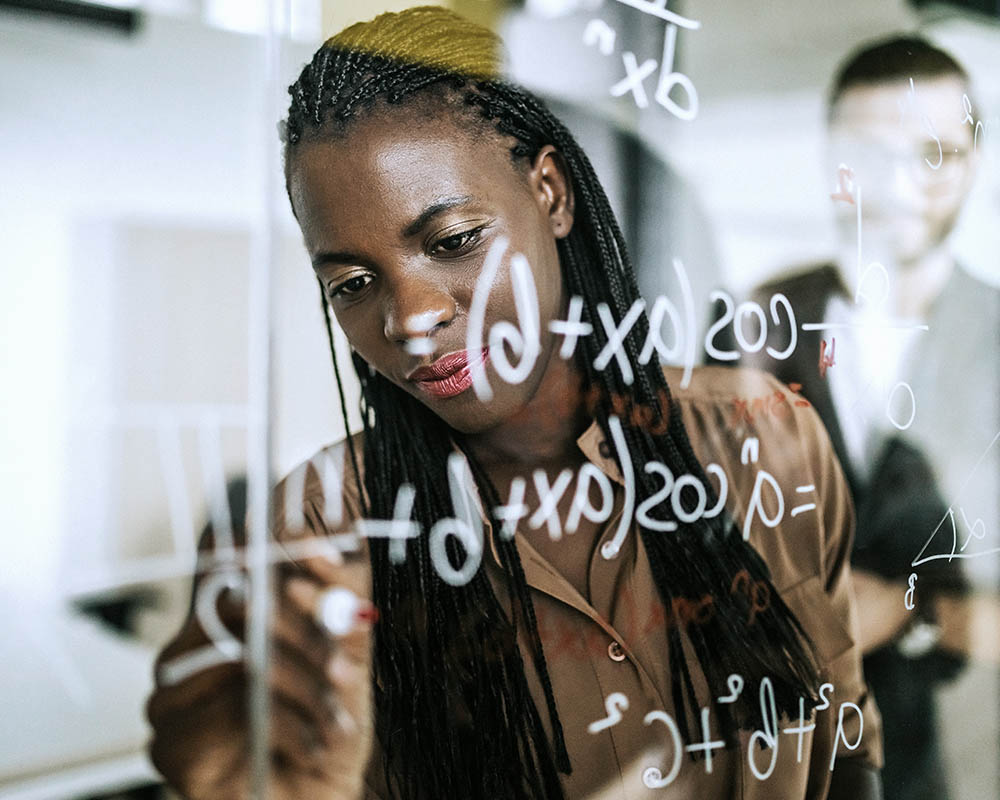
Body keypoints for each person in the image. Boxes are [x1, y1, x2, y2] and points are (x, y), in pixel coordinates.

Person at [145, 7, 883, 799]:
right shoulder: (325, 532)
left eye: (455, 239)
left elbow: (847, 746)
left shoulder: (761, 439)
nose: (410, 316)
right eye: (353, 285)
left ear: (551, 193)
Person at [706, 35, 1000, 800]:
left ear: (974, 159)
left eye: (933, 153)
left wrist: (912, 614)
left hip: (966, 767)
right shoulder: (749, 321)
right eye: (870, 155)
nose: (900, 185)